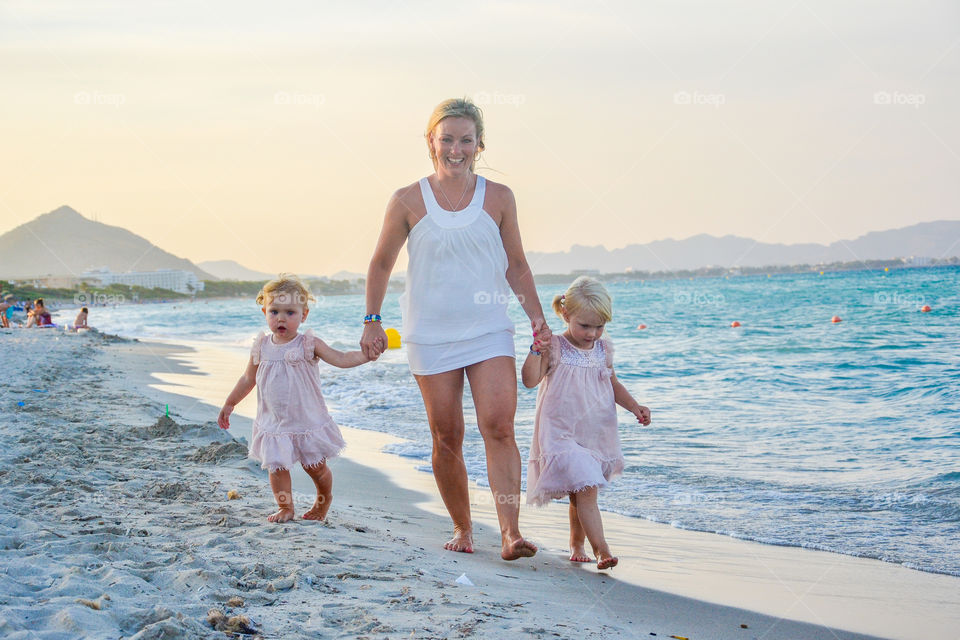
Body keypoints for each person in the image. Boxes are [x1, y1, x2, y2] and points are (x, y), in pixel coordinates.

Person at [361, 98, 551, 561]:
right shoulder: (408, 199)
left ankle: (510, 533)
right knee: (447, 436)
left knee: (499, 427)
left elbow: (518, 266)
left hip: (488, 329)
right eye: (447, 139)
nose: (456, 148)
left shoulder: (500, 197)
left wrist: (539, 321)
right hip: (428, 332)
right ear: (431, 142)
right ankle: (463, 528)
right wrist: (372, 320)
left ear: (479, 144)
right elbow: (381, 263)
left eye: (466, 139)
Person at [521, 276, 651, 570]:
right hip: (560, 433)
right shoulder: (554, 346)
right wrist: (535, 350)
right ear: (566, 315)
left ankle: (577, 544)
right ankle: (602, 550)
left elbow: (612, 384)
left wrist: (634, 407)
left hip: (595, 433)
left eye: (599, 327)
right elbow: (529, 381)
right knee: (587, 489)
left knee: (580, 491)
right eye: (585, 326)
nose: (592, 334)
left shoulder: (603, 350)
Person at [218, 274, 371, 522]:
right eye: (274, 311)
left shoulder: (308, 344)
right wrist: (229, 403)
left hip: (305, 420)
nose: (281, 318)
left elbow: (341, 358)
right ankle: (286, 508)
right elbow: (248, 379)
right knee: (277, 468)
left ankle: (324, 499)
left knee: (316, 468)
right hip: (273, 421)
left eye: (290, 312)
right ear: (264, 312)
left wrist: (366, 356)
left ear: (304, 315)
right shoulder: (261, 346)